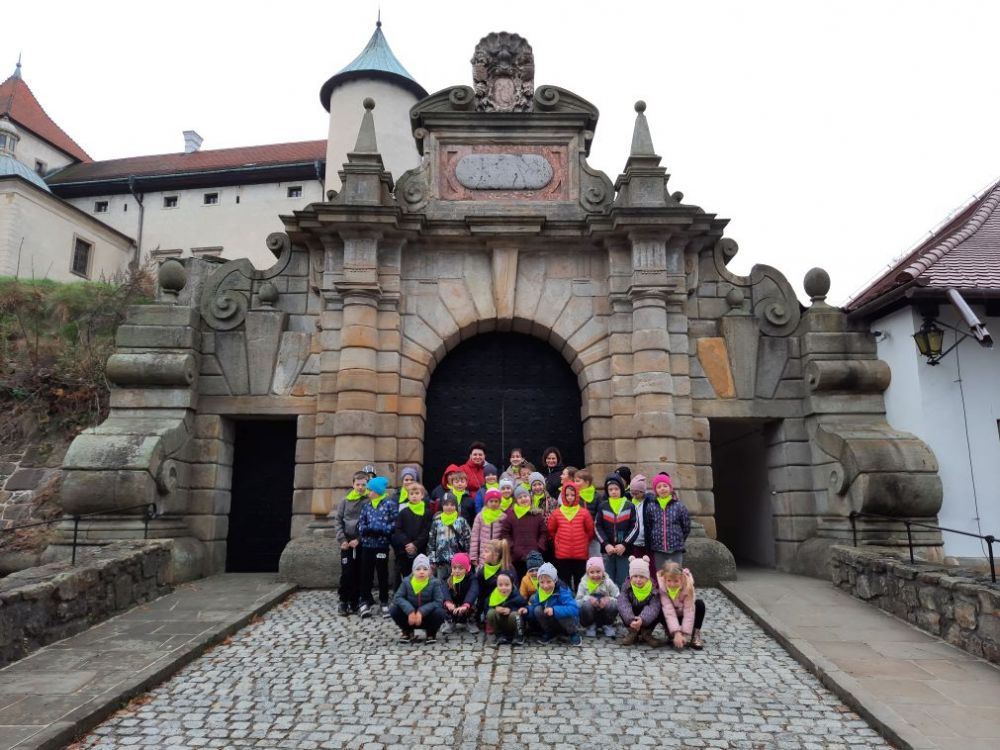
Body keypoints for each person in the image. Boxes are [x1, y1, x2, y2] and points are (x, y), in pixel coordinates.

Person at [357, 476, 399, 619]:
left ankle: (384, 601)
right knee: (365, 574)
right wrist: (366, 530)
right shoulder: (366, 506)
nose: (367, 492)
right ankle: (364, 601)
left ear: (377, 491)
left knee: (382, 574)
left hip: (381, 545)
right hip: (367, 545)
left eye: (370, 489)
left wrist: (381, 530)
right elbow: (361, 523)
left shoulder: (389, 504)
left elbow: (395, 523)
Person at [332, 470, 369, 616]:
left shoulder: (368, 501)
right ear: (353, 484)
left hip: (360, 543)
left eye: (363, 485)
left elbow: (368, 523)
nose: (360, 487)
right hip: (346, 543)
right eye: (358, 484)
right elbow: (338, 521)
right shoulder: (345, 501)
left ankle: (355, 602)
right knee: (347, 573)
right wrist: (342, 540)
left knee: (359, 572)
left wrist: (359, 539)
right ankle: (343, 601)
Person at [594, 473, 640, 588]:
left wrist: (624, 544)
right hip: (608, 551)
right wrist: (606, 544)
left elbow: (635, 527)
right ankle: (610, 599)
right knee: (607, 580)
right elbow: (597, 526)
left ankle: (623, 599)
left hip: (624, 551)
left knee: (623, 580)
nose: (613, 492)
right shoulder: (603, 506)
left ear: (621, 489)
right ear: (607, 491)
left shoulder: (629, 506)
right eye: (610, 489)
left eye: (616, 489)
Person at [546, 482, 595, 591]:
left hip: (580, 554)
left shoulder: (584, 513)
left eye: (572, 495)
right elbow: (551, 530)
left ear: (577, 495)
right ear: (563, 495)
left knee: (581, 581)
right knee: (564, 581)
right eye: (567, 495)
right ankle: (566, 599)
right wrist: (558, 541)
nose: (570, 497)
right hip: (562, 554)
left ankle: (580, 599)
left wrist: (584, 542)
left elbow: (590, 531)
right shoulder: (557, 513)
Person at [389, 554, 446, 644]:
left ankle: (431, 633)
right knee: (394, 609)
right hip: (410, 617)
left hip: (426, 616)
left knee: (440, 612)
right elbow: (398, 597)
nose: (421, 572)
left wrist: (421, 611)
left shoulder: (435, 582)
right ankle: (407, 631)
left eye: (425, 569)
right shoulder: (406, 581)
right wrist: (410, 611)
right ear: (413, 570)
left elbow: (438, 601)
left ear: (429, 571)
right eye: (418, 569)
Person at [643, 473, 691, 568]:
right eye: (659, 487)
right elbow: (648, 525)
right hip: (658, 549)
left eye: (665, 486)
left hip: (676, 548)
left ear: (670, 488)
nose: (662, 488)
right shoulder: (651, 507)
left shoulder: (679, 506)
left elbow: (686, 526)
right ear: (655, 490)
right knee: (661, 574)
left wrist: (679, 539)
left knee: (676, 574)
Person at [499, 486, 547, 580]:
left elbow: (544, 533)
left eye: (525, 496)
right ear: (516, 501)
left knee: (535, 582)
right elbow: (504, 533)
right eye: (520, 497)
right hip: (517, 557)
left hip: (535, 556)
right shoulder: (511, 516)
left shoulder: (537, 515)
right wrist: (512, 547)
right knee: (520, 581)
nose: (523, 499)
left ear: (530, 498)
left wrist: (539, 546)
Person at [528, 562, 581, 645]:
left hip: (567, 623)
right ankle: (550, 633)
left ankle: (573, 633)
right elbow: (535, 605)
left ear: (555, 580)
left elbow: (574, 609)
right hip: (552, 621)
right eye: (542, 582)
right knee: (537, 609)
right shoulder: (540, 591)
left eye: (549, 582)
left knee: (563, 613)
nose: (545, 586)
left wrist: (554, 610)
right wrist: (526, 611)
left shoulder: (562, 590)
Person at [391, 481, 432, 588]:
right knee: (406, 575)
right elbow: (398, 529)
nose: (414, 496)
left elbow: (426, 530)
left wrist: (415, 544)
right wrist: (407, 543)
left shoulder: (427, 512)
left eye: (417, 493)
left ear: (422, 495)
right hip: (405, 549)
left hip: (420, 549)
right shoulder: (403, 512)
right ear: (408, 496)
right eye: (411, 494)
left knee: (420, 575)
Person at [657, 562, 706, 650]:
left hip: (684, 615)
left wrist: (684, 634)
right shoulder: (662, 588)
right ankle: (671, 633)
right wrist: (676, 632)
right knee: (658, 607)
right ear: (664, 579)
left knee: (700, 604)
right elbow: (668, 611)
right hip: (672, 616)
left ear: (682, 578)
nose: (672, 584)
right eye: (669, 581)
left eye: (676, 581)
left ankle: (695, 633)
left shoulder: (688, 587)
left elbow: (689, 611)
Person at [617, 556, 661, 646]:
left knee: (658, 609)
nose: (638, 580)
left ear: (647, 577)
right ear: (631, 577)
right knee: (621, 606)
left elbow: (653, 607)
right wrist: (631, 619)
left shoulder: (653, 589)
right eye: (635, 576)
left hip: (646, 618)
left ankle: (646, 633)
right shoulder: (626, 587)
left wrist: (642, 619)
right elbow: (623, 603)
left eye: (642, 577)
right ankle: (633, 632)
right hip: (632, 616)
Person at [427, 492, 472, 581]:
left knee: (456, 585)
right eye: (446, 504)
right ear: (442, 506)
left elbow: (468, 540)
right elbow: (431, 542)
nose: (449, 507)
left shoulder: (461, 521)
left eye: (452, 505)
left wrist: (468, 557)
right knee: (441, 585)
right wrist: (432, 560)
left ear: (456, 506)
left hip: (458, 563)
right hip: (441, 562)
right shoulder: (436, 522)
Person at [474, 539, 517, 630]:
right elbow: (481, 595)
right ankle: (489, 621)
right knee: (487, 600)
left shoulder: (509, 569)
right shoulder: (482, 572)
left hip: (508, 603)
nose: (483, 554)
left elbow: (516, 591)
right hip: (490, 606)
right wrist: (477, 615)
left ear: (496, 555)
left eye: (486, 552)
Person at [576, 556, 620, 638]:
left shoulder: (608, 582)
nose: (595, 575)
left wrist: (609, 599)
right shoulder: (583, 583)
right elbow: (577, 602)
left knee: (613, 605)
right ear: (587, 573)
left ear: (603, 572)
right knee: (586, 605)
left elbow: (619, 598)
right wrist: (588, 599)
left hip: (605, 612)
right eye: (592, 572)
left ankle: (607, 624)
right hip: (590, 613)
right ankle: (590, 626)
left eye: (598, 571)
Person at [485, 572, 529, 645]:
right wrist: (496, 608)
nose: (503, 588)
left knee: (515, 615)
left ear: (512, 585)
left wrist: (511, 610)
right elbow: (486, 608)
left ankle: (519, 637)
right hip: (501, 623)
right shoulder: (493, 596)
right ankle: (500, 635)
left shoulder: (517, 596)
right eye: (500, 585)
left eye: (507, 585)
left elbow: (525, 608)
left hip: (513, 624)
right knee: (490, 613)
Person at [442, 552, 479, 635]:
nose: (457, 571)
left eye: (460, 568)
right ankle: (449, 621)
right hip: (453, 606)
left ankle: (470, 621)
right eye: (454, 568)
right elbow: (444, 591)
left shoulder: (472, 579)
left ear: (467, 569)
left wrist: (466, 604)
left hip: (466, 606)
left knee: (474, 602)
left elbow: (473, 591)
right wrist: (448, 602)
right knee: (442, 602)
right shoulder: (447, 579)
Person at [470, 488, 506, 567]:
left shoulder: (503, 517)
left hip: (498, 554)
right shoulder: (480, 516)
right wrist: (473, 556)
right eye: (491, 501)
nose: (493, 503)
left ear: (500, 502)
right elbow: (474, 537)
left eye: (496, 501)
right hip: (483, 555)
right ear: (486, 502)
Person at [629, 474, 655, 578]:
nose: (634, 495)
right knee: (635, 567)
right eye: (632, 493)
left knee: (650, 567)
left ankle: (652, 584)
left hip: (647, 542)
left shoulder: (649, 502)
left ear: (643, 492)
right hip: (634, 541)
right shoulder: (630, 503)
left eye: (637, 493)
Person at [575, 469, 600, 557]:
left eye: (578, 481)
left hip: (593, 535)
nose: (575, 483)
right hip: (578, 534)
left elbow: (599, 515)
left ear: (586, 482)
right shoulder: (574, 495)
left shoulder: (596, 496)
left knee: (594, 558)